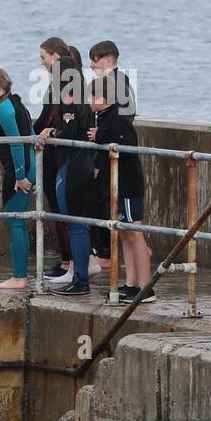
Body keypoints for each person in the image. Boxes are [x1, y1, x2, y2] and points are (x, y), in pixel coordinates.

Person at [88, 74, 153, 303]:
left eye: (91, 96)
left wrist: (101, 136)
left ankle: (146, 287)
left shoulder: (117, 118)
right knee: (124, 235)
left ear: (103, 98)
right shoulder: (104, 117)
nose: (89, 101)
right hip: (115, 184)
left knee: (135, 235)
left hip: (126, 185)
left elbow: (126, 145)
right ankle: (131, 283)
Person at [41, 57, 96, 297]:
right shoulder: (84, 95)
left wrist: (52, 131)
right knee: (78, 224)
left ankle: (80, 280)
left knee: (74, 225)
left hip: (71, 165)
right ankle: (79, 277)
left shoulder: (68, 96)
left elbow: (71, 130)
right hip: (83, 163)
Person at [0, 68, 35, 290]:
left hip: (19, 170)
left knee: (15, 221)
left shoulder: (4, 108)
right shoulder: (17, 102)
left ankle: (19, 277)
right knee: (19, 222)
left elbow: (16, 142)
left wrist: (20, 176)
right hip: (29, 164)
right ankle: (20, 275)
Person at [34, 37, 76, 283]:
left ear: (56, 58)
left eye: (43, 57)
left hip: (59, 153)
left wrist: (32, 131)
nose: (41, 62)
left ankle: (68, 261)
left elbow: (49, 118)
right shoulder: (64, 84)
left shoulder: (63, 87)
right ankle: (68, 260)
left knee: (61, 208)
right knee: (61, 209)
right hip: (58, 151)